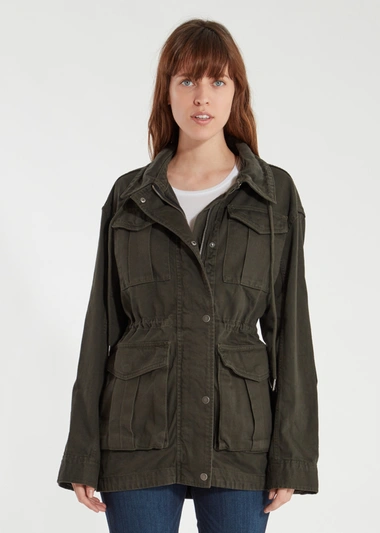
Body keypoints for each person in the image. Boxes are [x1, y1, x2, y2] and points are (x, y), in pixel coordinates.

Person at [57, 18, 319, 533]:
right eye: (187, 80)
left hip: (239, 439)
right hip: (138, 436)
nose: (202, 96)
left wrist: (292, 454)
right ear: (167, 91)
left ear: (236, 92)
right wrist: (83, 451)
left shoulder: (272, 195)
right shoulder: (129, 196)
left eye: (217, 80)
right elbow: (100, 326)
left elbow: (291, 329)